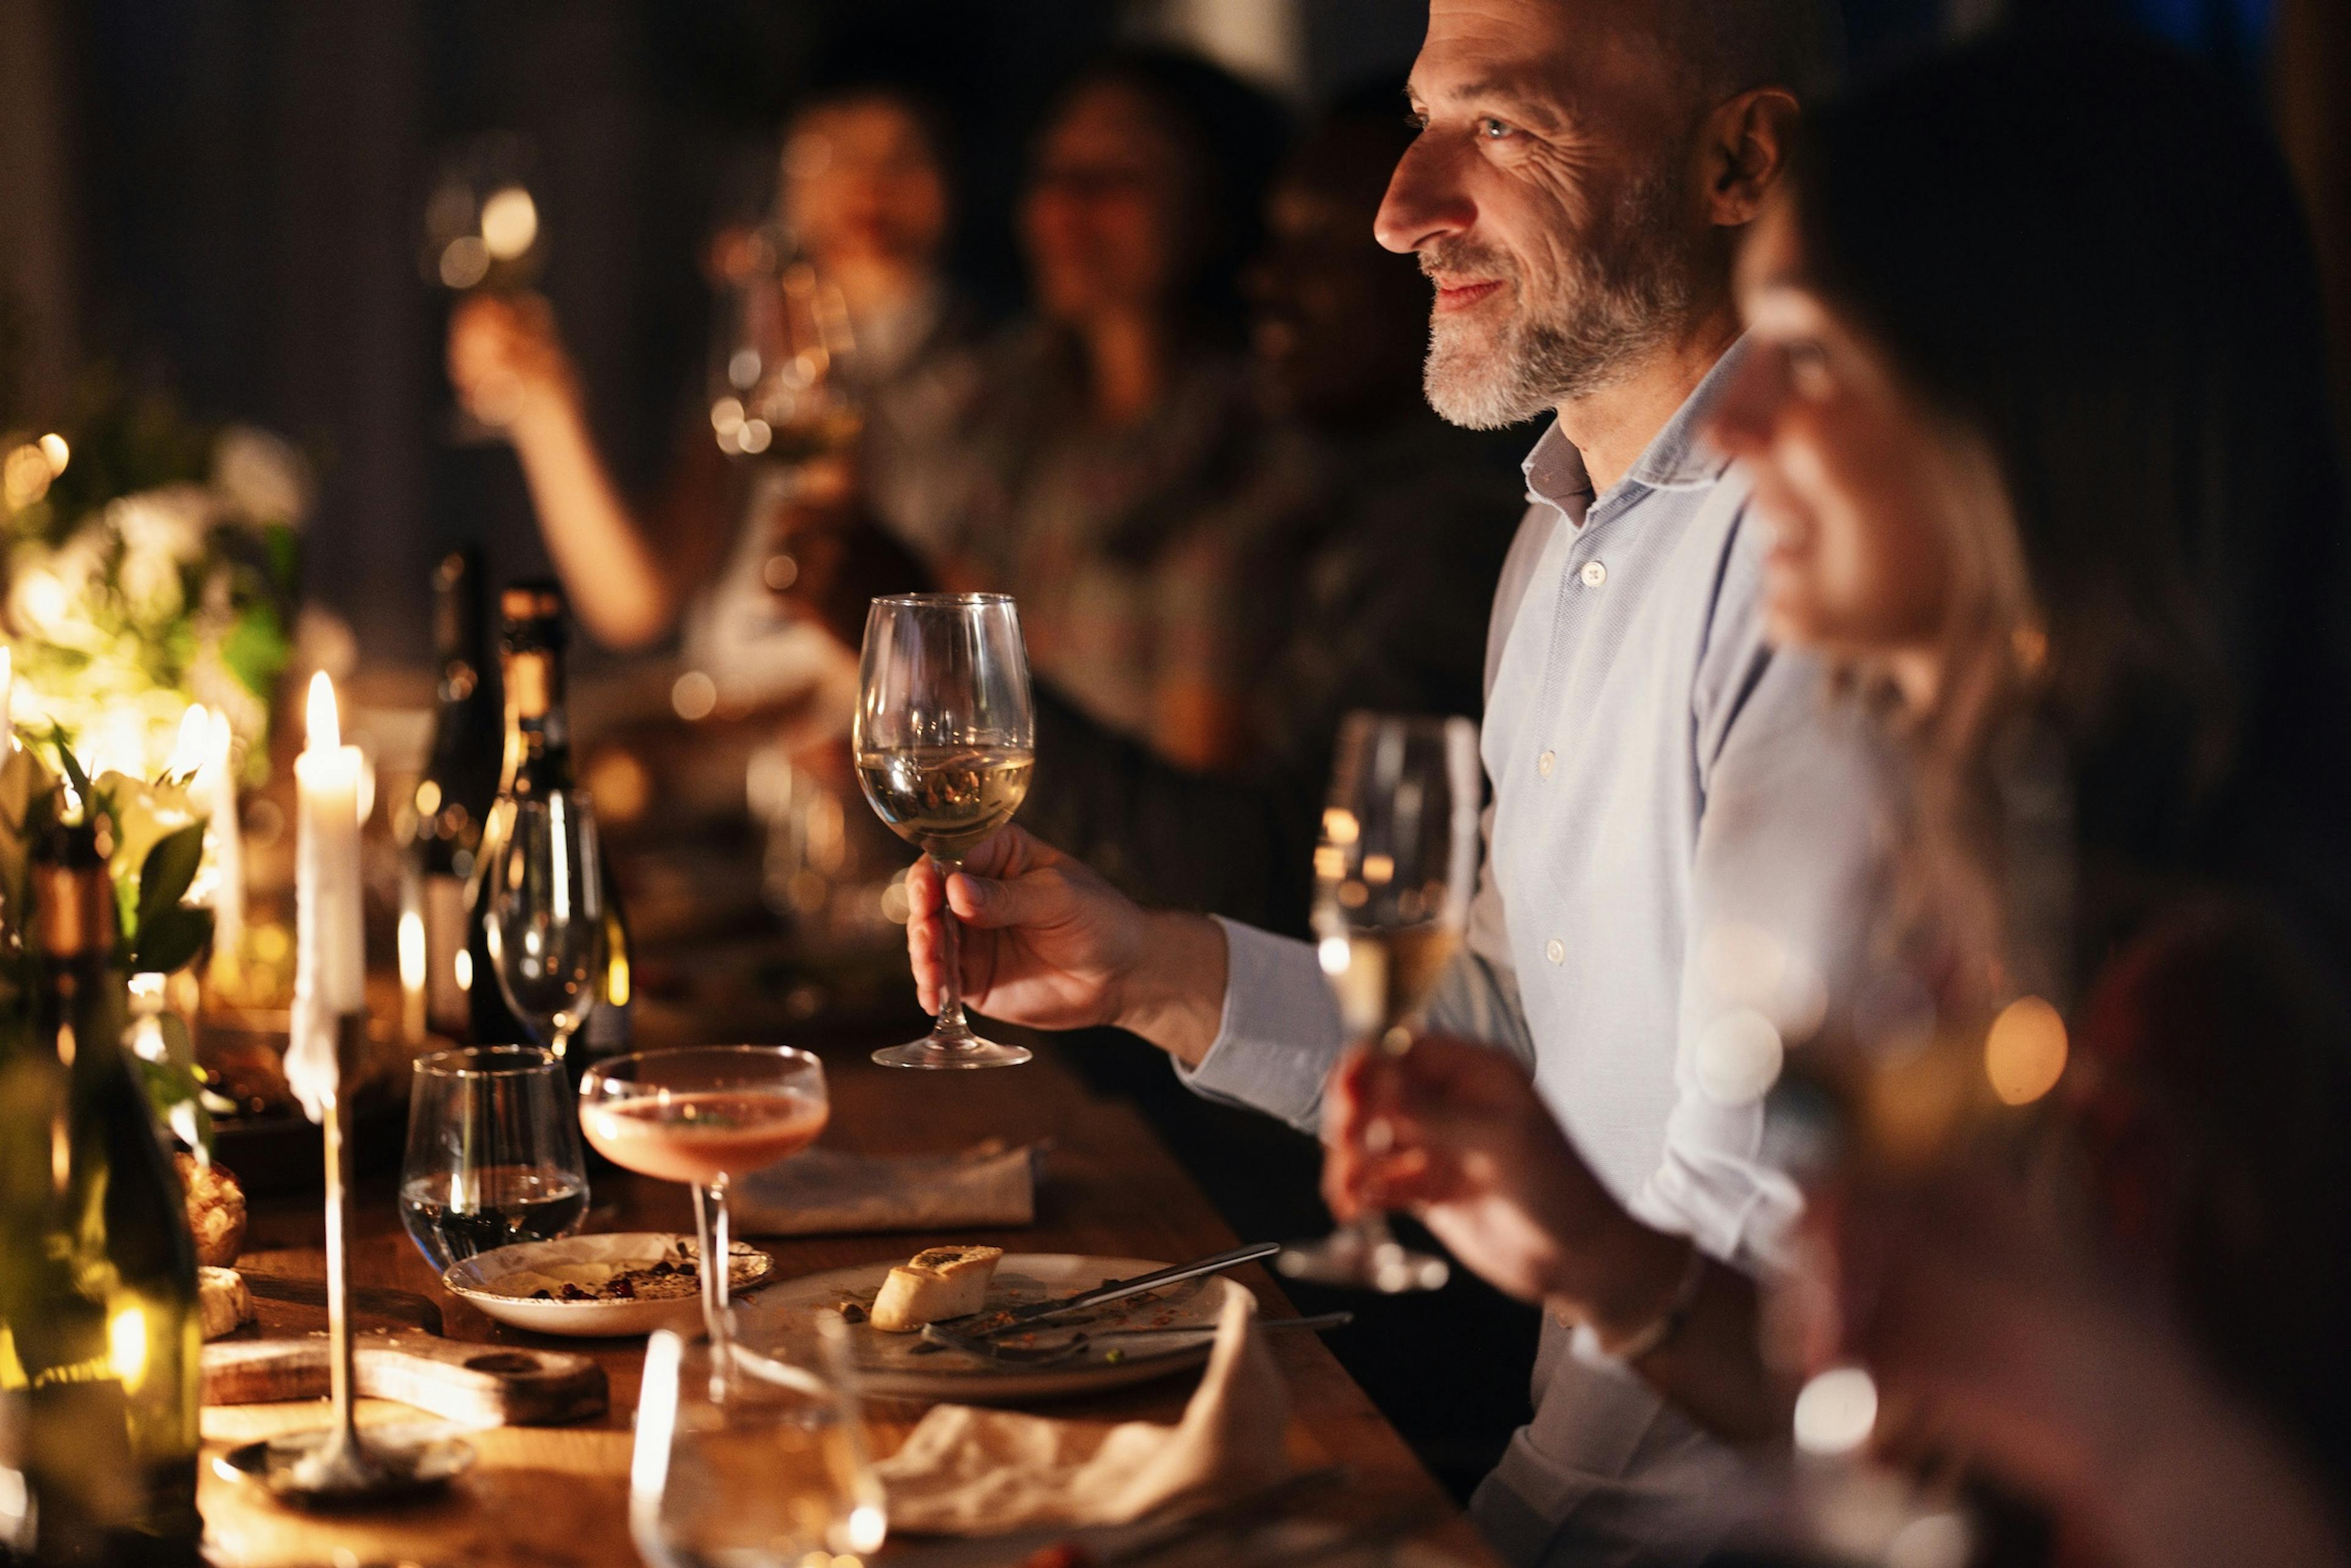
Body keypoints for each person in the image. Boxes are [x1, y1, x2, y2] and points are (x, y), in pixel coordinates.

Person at [1324, 27, 2351, 1568]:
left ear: (2026, 413)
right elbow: (1875, 1421)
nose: (1731, 430)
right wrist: (1607, 1261)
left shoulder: (2195, 1007)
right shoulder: (2006, 876)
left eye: (1800, 357)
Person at [902, 3, 1870, 1563]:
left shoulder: (1823, 559)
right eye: (1425, 118)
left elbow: (1774, 1243)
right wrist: (1152, 967)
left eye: (1496, 127)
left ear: (1737, 159)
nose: (1397, 207)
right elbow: (1503, 1015)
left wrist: (1491, 1520)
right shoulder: (1555, 534)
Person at [446, 81, 978, 706]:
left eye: (902, 157)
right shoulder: (753, 367)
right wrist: (545, 406)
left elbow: (928, 653)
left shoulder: (991, 382)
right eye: (833, 154)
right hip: (735, 762)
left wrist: (812, 361)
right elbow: (635, 601)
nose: (868, 184)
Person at [920, 50, 1293, 769]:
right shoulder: (1003, 408)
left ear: (1214, 207)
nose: (1066, 208)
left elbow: (1202, 785)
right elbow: (947, 671)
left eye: (1117, 177)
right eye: (1052, 175)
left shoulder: (1253, 449)